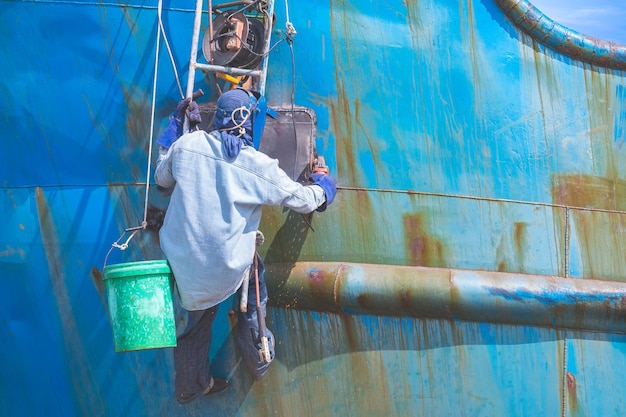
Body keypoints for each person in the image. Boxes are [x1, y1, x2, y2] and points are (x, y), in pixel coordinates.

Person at [154, 88, 336, 404]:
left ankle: (190, 385)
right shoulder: (255, 165)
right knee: (254, 297)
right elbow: (303, 201)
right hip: (227, 265)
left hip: (185, 265)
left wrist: (175, 129)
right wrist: (323, 186)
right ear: (248, 121)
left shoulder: (188, 145)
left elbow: (162, 179)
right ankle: (259, 361)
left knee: (195, 319)